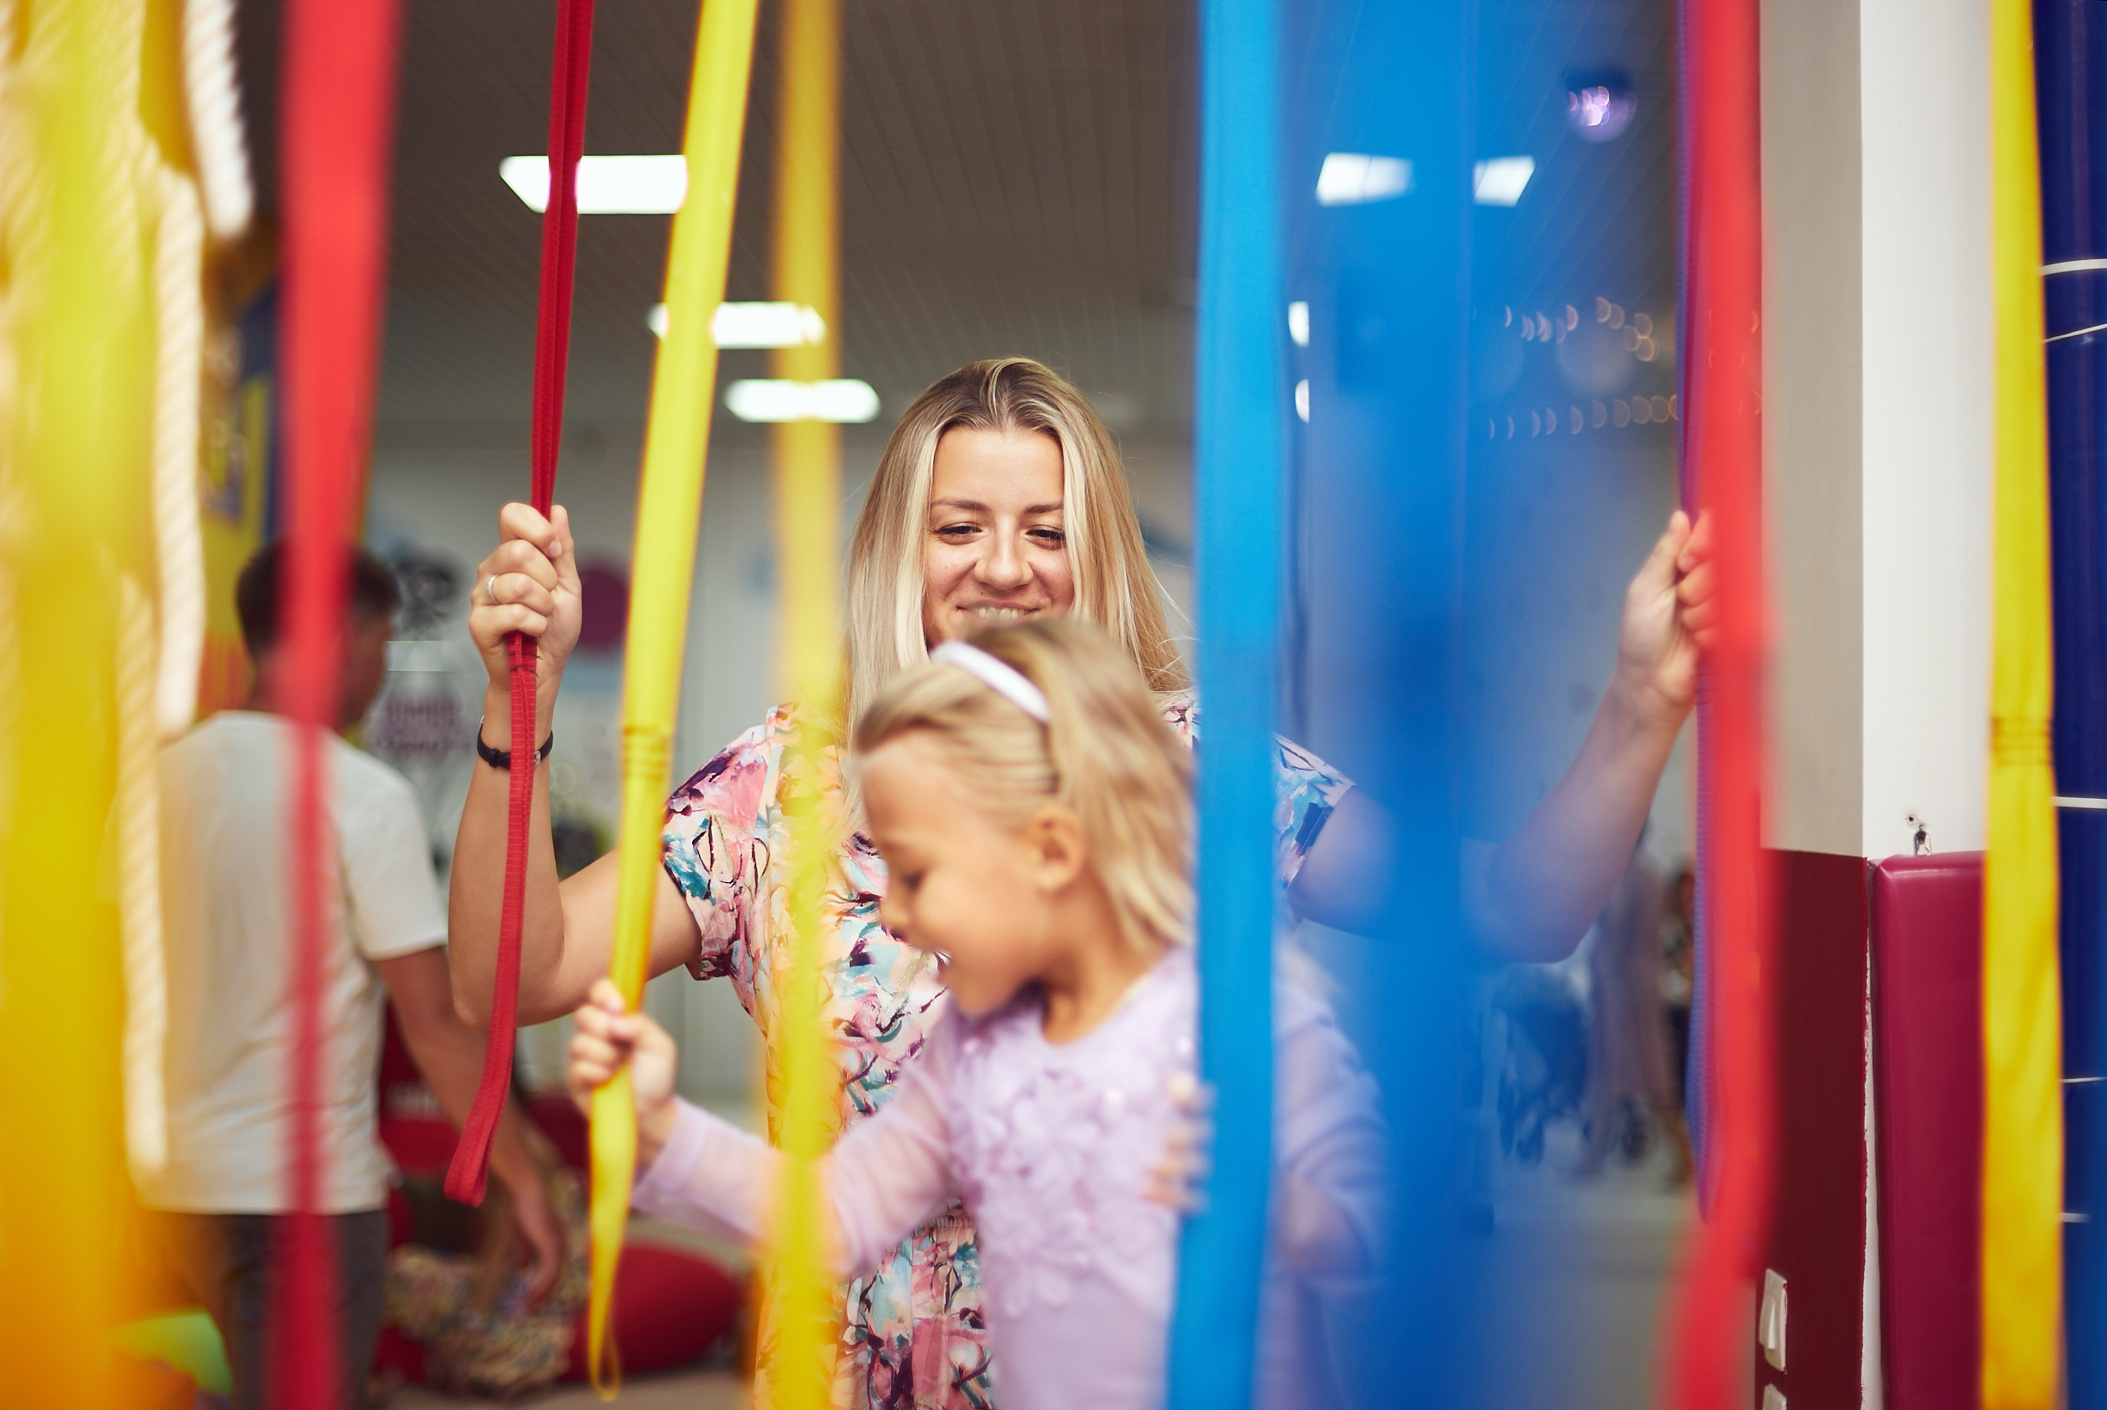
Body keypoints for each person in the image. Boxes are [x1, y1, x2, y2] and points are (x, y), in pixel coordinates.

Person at [448, 357, 1715, 1406]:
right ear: (900, 550)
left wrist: (1640, 701)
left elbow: (1511, 907)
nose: (1004, 567)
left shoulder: (1206, 774)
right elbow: (516, 975)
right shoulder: (787, 786)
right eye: (958, 527)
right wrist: (522, 711)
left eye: (1047, 530)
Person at [567, 621, 1386, 1410]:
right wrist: (663, 1128)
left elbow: (1384, 1238)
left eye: (916, 873)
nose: (889, 914)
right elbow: (840, 1215)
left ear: (1050, 852)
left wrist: (1276, 1205)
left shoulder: (1242, 1023)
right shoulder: (978, 1046)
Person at [141, 543, 564, 1410]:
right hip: (308, 1201)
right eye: (377, 641)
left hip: (170, 1190)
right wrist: (524, 1181)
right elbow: (433, 1020)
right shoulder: (359, 794)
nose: (376, 668)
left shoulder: (153, 783)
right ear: (339, 638)